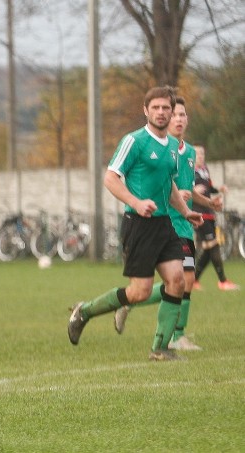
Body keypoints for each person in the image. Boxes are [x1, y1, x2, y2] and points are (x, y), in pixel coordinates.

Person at [66, 86, 203, 361]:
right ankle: (85, 311)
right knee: (139, 292)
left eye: (166, 108)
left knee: (177, 280)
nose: (162, 113)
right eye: (156, 108)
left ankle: (160, 349)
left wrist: (186, 211)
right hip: (138, 224)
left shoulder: (173, 151)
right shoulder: (135, 141)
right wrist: (137, 202)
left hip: (165, 224)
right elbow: (111, 178)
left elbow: (170, 185)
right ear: (146, 111)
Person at [111, 96, 219, 352]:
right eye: (176, 114)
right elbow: (164, 187)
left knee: (183, 280)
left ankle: (135, 306)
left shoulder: (189, 152)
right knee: (185, 279)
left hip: (184, 222)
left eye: (182, 115)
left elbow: (186, 189)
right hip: (164, 222)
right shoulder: (157, 146)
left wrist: (207, 202)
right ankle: (174, 336)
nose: (179, 119)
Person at [192, 145, 240, 291]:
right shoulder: (188, 171)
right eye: (197, 154)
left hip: (209, 211)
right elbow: (182, 189)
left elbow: (209, 188)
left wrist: (219, 189)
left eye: (202, 153)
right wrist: (193, 190)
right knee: (213, 244)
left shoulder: (204, 170)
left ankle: (194, 281)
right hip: (198, 213)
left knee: (208, 248)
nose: (200, 156)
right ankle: (223, 281)